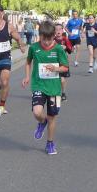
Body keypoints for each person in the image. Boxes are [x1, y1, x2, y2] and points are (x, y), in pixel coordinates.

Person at [22, 20, 69, 155]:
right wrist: (27, 77)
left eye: (49, 39)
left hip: (55, 88)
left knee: (52, 117)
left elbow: (65, 67)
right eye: (44, 39)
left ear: (54, 36)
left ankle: (50, 143)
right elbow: (28, 62)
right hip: (38, 85)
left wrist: (55, 68)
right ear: (40, 35)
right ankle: (42, 122)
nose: (47, 42)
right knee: (37, 112)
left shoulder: (59, 49)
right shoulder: (34, 47)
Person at [54, 22, 73, 101]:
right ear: (54, 31)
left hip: (63, 62)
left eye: (60, 29)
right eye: (56, 29)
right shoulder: (52, 40)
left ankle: (63, 93)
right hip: (54, 62)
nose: (58, 31)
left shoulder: (65, 39)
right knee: (54, 79)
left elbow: (70, 50)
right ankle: (53, 93)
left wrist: (66, 47)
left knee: (62, 80)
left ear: (62, 31)